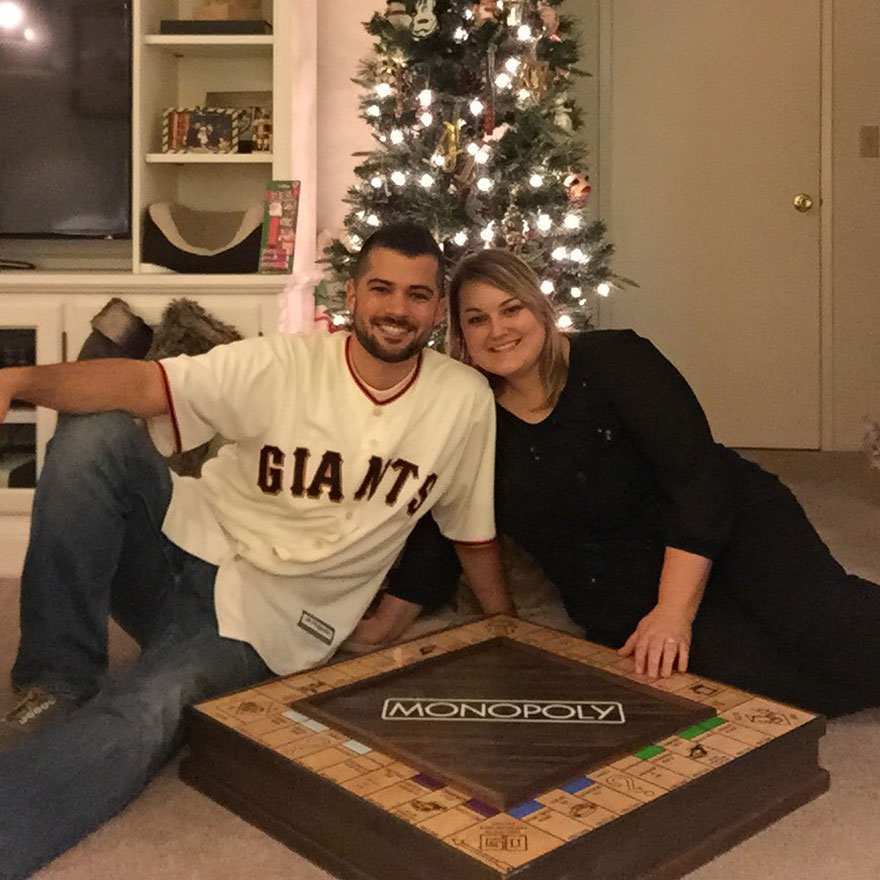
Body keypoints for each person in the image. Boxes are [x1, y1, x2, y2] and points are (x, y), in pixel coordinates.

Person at [0, 222, 512, 879]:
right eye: (381, 289)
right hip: (181, 545)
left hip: (268, 620)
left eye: (417, 295)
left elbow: (472, 532)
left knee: (150, 707)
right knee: (93, 437)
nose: (397, 309)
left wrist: (508, 630)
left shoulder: (463, 402)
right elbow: (144, 384)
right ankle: (56, 682)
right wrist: (17, 379)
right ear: (352, 295)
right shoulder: (287, 363)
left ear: (438, 309)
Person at [381, 247, 880, 719]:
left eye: (512, 309)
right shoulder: (472, 415)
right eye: (477, 319)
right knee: (758, 685)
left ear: (541, 309)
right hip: (622, 593)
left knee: (822, 627)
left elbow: (698, 480)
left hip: (727, 525)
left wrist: (673, 613)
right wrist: (386, 622)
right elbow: (450, 521)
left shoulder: (616, 359)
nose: (498, 330)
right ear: (461, 336)